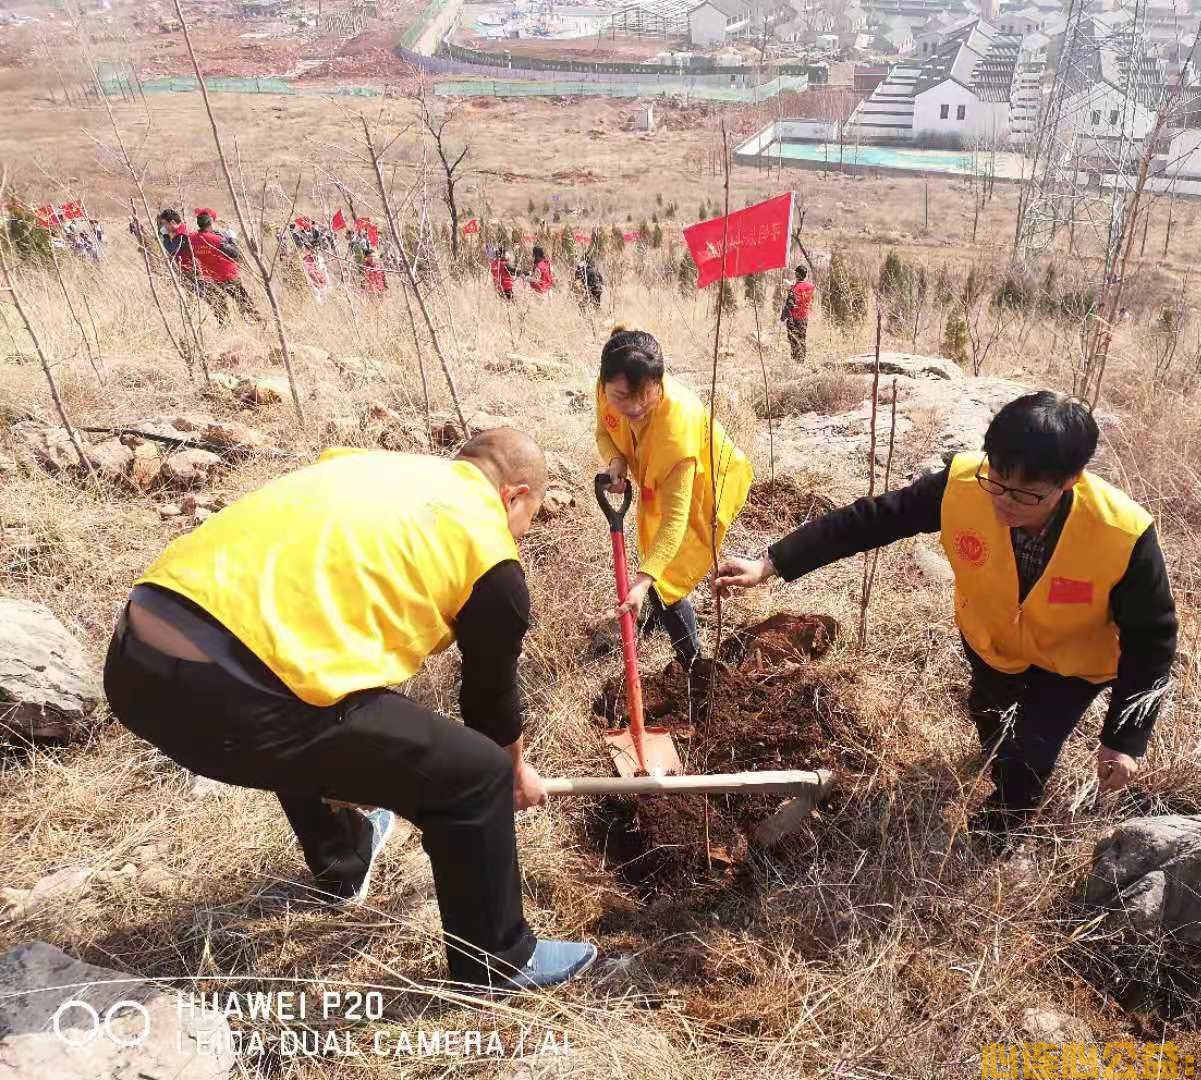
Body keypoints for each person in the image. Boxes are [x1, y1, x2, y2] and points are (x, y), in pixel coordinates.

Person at [103, 430, 597, 991]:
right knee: (474, 775)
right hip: (231, 698)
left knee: (316, 673)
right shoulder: (489, 553)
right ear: (515, 495)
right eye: (528, 519)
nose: (521, 535)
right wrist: (512, 774)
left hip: (133, 660)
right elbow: (489, 706)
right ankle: (499, 962)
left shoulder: (369, 466)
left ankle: (346, 858)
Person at [715, 392, 1177, 837]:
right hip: (990, 640)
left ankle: (1003, 826)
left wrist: (1124, 739)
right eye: (996, 479)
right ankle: (997, 756)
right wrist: (771, 564)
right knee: (990, 715)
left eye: (1025, 495)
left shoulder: (1121, 533)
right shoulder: (962, 484)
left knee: (1029, 754)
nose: (1002, 501)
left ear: (1070, 480)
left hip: (1072, 663)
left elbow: (1152, 640)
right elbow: (870, 520)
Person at [596, 328, 753, 669]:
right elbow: (604, 432)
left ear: (659, 383)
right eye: (621, 396)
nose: (633, 407)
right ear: (605, 382)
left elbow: (674, 524)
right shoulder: (609, 388)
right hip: (659, 475)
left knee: (665, 574)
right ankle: (655, 608)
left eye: (644, 397)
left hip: (708, 480)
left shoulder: (676, 430)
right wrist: (617, 459)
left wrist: (640, 583)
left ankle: (692, 659)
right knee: (651, 560)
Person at [190, 209, 259, 323]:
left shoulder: (192, 239)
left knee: (219, 306)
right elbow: (235, 253)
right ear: (210, 223)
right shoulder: (216, 239)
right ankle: (256, 320)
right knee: (243, 300)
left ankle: (224, 324)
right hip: (227, 275)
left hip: (209, 278)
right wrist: (232, 240)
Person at [780, 264, 815, 362]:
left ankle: (795, 360)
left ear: (797, 274)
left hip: (793, 317)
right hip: (804, 316)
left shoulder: (793, 288)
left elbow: (790, 304)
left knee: (793, 339)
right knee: (802, 338)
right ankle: (802, 360)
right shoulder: (811, 286)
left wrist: (783, 318)